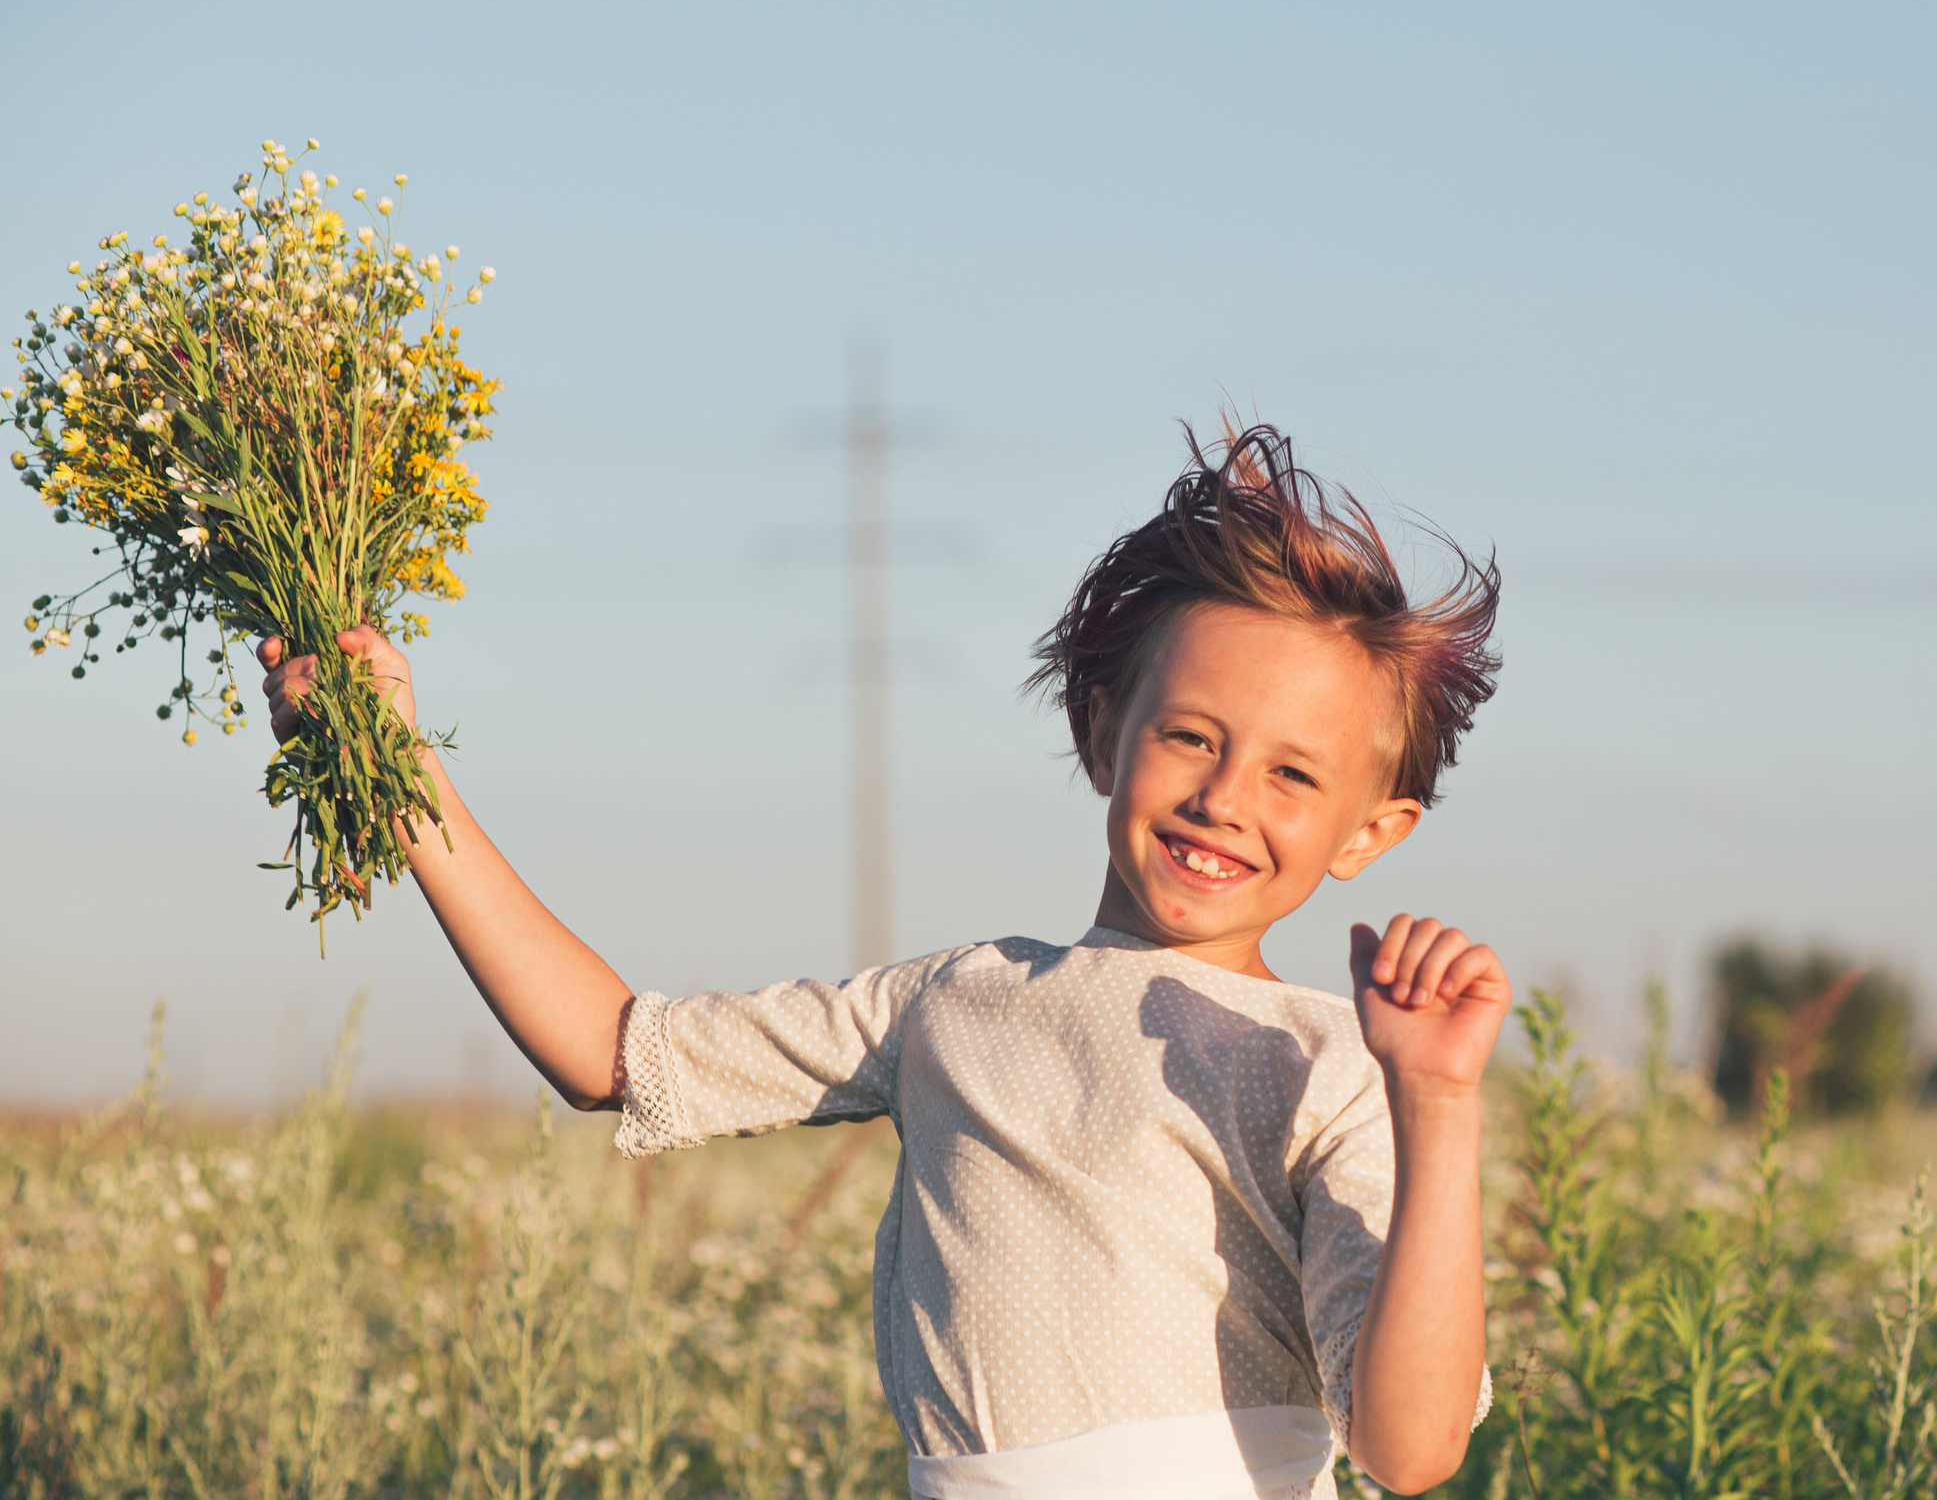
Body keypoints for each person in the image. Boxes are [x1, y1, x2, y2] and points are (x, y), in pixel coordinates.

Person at [260, 423, 1507, 1498]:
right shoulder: (952, 1002)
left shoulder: (1335, 1060)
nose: (1226, 798)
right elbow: (608, 1049)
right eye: (1189, 735)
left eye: (1294, 772)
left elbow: (1408, 1448)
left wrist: (1438, 1103)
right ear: (1099, 728)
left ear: (1370, 829)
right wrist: (400, 767)